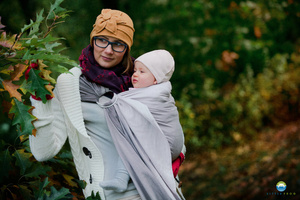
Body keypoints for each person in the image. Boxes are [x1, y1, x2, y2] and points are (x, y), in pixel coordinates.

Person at [29, 8, 184, 200]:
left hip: (158, 188)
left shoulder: (143, 78)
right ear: (92, 40)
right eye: (102, 40)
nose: (108, 50)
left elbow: (169, 128)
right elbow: (44, 152)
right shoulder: (70, 84)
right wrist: (39, 98)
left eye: (118, 44)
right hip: (113, 194)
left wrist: (174, 158)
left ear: (127, 48)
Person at [94, 50, 186, 199]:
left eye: (142, 72)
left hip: (166, 146)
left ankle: (121, 178)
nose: (135, 74)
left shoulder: (152, 94)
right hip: (177, 145)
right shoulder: (162, 91)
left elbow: (120, 102)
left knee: (130, 140)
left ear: (156, 79)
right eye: (135, 70)